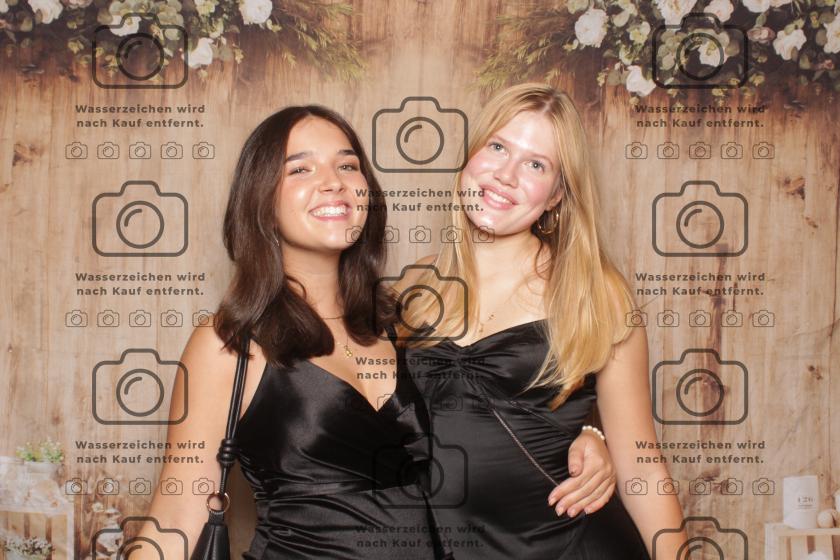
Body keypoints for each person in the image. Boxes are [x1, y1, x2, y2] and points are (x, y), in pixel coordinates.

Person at [132, 104, 615, 559]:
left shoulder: (402, 320)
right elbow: (174, 518)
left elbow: (496, 411)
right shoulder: (229, 344)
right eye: (300, 169)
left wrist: (588, 433)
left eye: (347, 166)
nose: (332, 183)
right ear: (260, 198)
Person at [393, 83, 688, 559]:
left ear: (556, 195)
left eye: (536, 165)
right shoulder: (411, 291)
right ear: (470, 156)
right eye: (497, 147)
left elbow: (643, 468)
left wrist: (598, 436)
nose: (506, 175)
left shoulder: (596, 296)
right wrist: (592, 433)